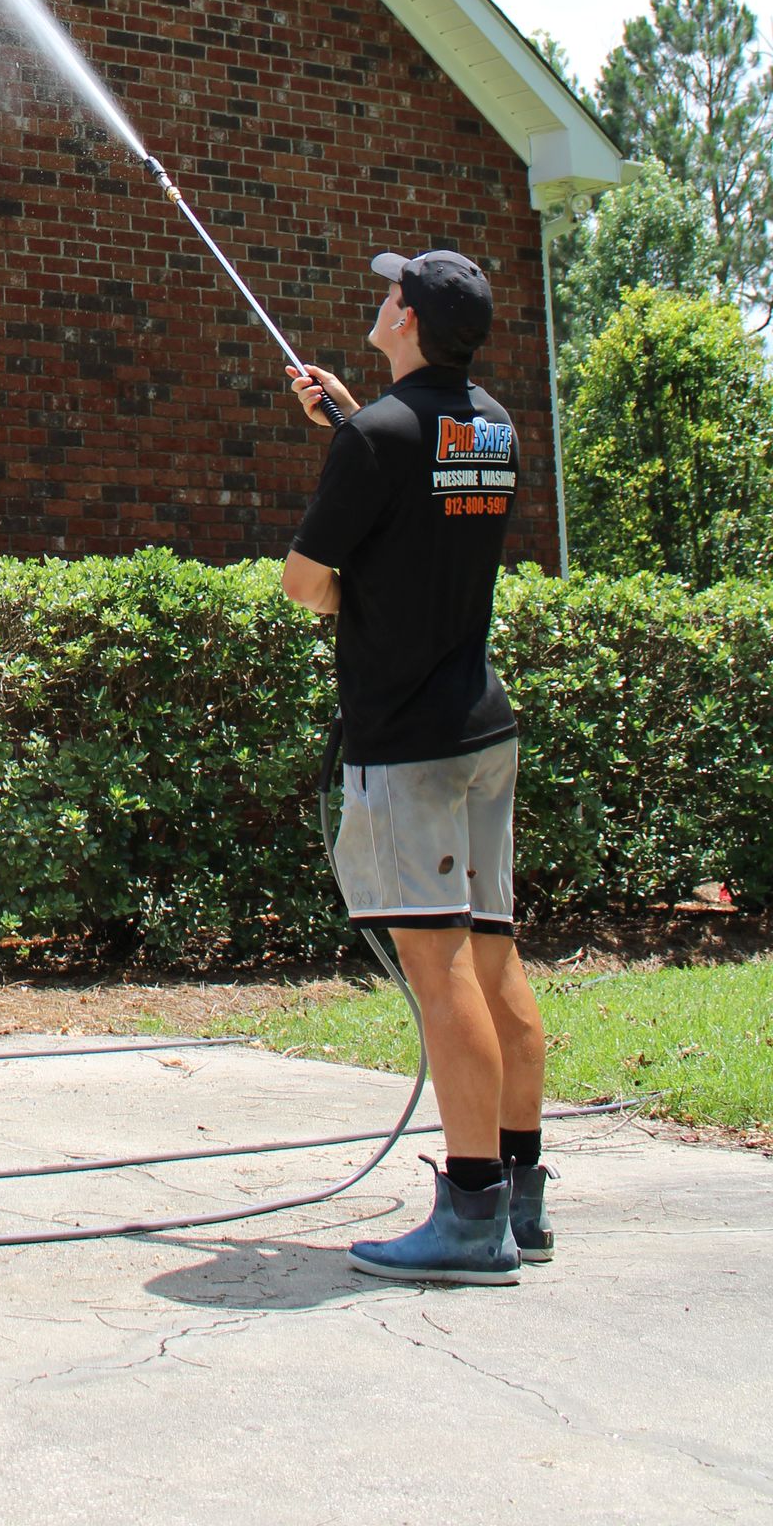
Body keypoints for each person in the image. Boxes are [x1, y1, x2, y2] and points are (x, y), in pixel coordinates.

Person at [283, 247, 551, 1286]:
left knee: (441, 978)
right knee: (494, 958)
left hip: (412, 744)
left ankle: (473, 1217)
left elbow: (307, 584)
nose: (380, 297)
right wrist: (353, 418)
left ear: (408, 318)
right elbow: (420, 483)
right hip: (483, 727)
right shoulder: (490, 424)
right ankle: (522, 1197)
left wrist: (353, 440)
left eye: (392, 292)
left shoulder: (380, 443)